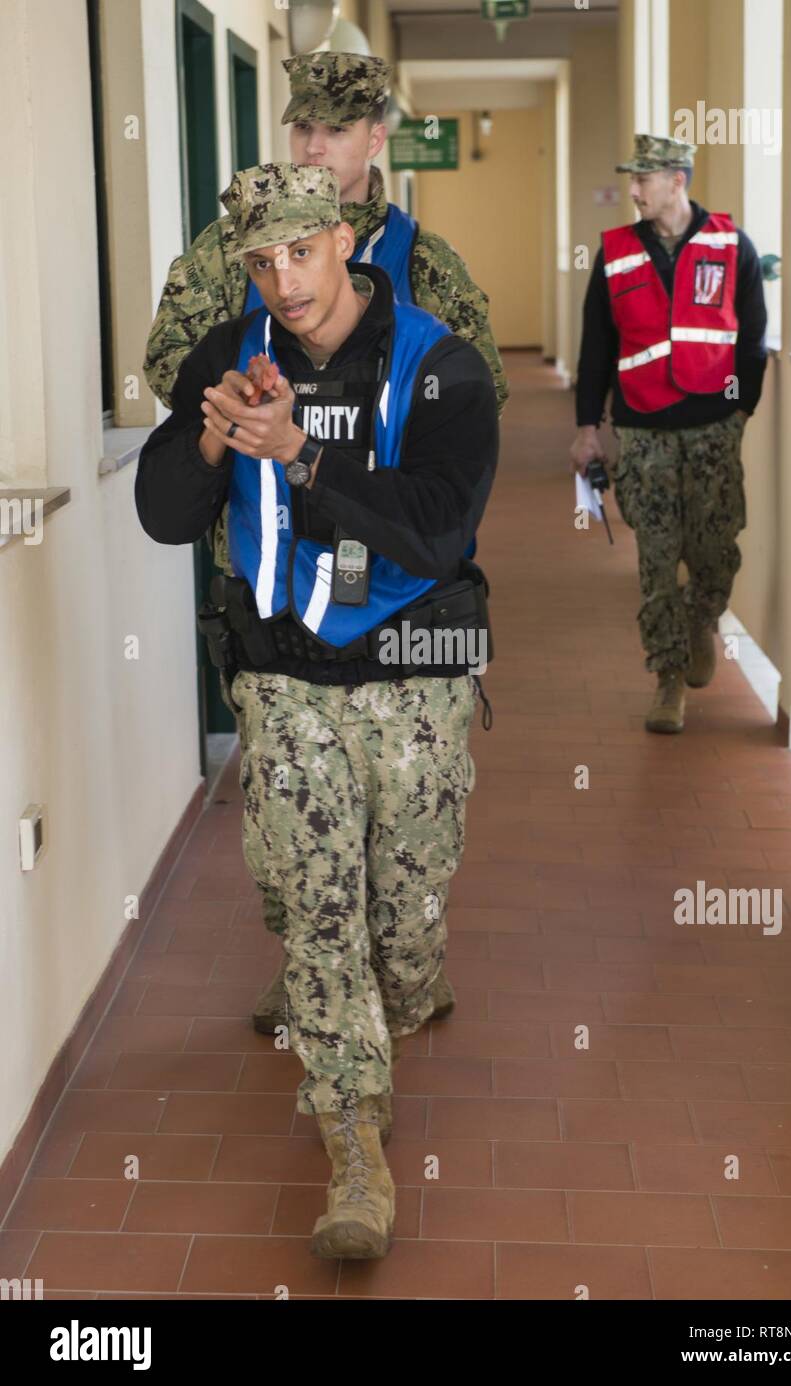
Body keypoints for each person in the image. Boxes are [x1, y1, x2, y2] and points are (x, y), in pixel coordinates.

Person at [135, 163, 498, 1259]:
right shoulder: (232, 353)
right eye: (259, 259)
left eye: (299, 250)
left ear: (343, 239)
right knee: (317, 902)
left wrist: (302, 453)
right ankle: (351, 1140)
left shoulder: (441, 366)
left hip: (414, 672)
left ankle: (411, 979)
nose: (281, 280)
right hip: (288, 677)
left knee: (401, 913)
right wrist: (210, 439)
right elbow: (163, 512)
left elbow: (436, 528)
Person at [143, 50, 507, 1032]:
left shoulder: (426, 267)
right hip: (267, 561)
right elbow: (174, 371)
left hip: (390, 569)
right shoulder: (229, 255)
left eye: (335, 129)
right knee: (287, 818)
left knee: (402, 838)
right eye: (301, 127)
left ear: (373, 141)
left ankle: (391, 956)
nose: (315, 143)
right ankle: (312, 956)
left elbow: (470, 425)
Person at [571, 134, 767, 734]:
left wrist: (737, 413)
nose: (633, 191)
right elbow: (596, 348)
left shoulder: (732, 246)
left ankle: (702, 617)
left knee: (715, 550)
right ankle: (668, 679)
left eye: (643, 180)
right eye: (631, 179)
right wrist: (588, 428)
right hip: (643, 428)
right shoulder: (616, 254)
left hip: (713, 427)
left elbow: (750, 341)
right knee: (655, 557)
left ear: (677, 180)